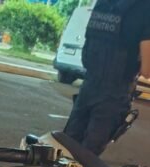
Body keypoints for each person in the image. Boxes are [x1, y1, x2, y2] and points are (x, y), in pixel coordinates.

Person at [63, 0, 150, 155]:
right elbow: (147, 70)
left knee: (67, 148)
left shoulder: (104, 3)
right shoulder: (145, 8)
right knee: (88, 156)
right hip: (115, 92)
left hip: (88, 86)